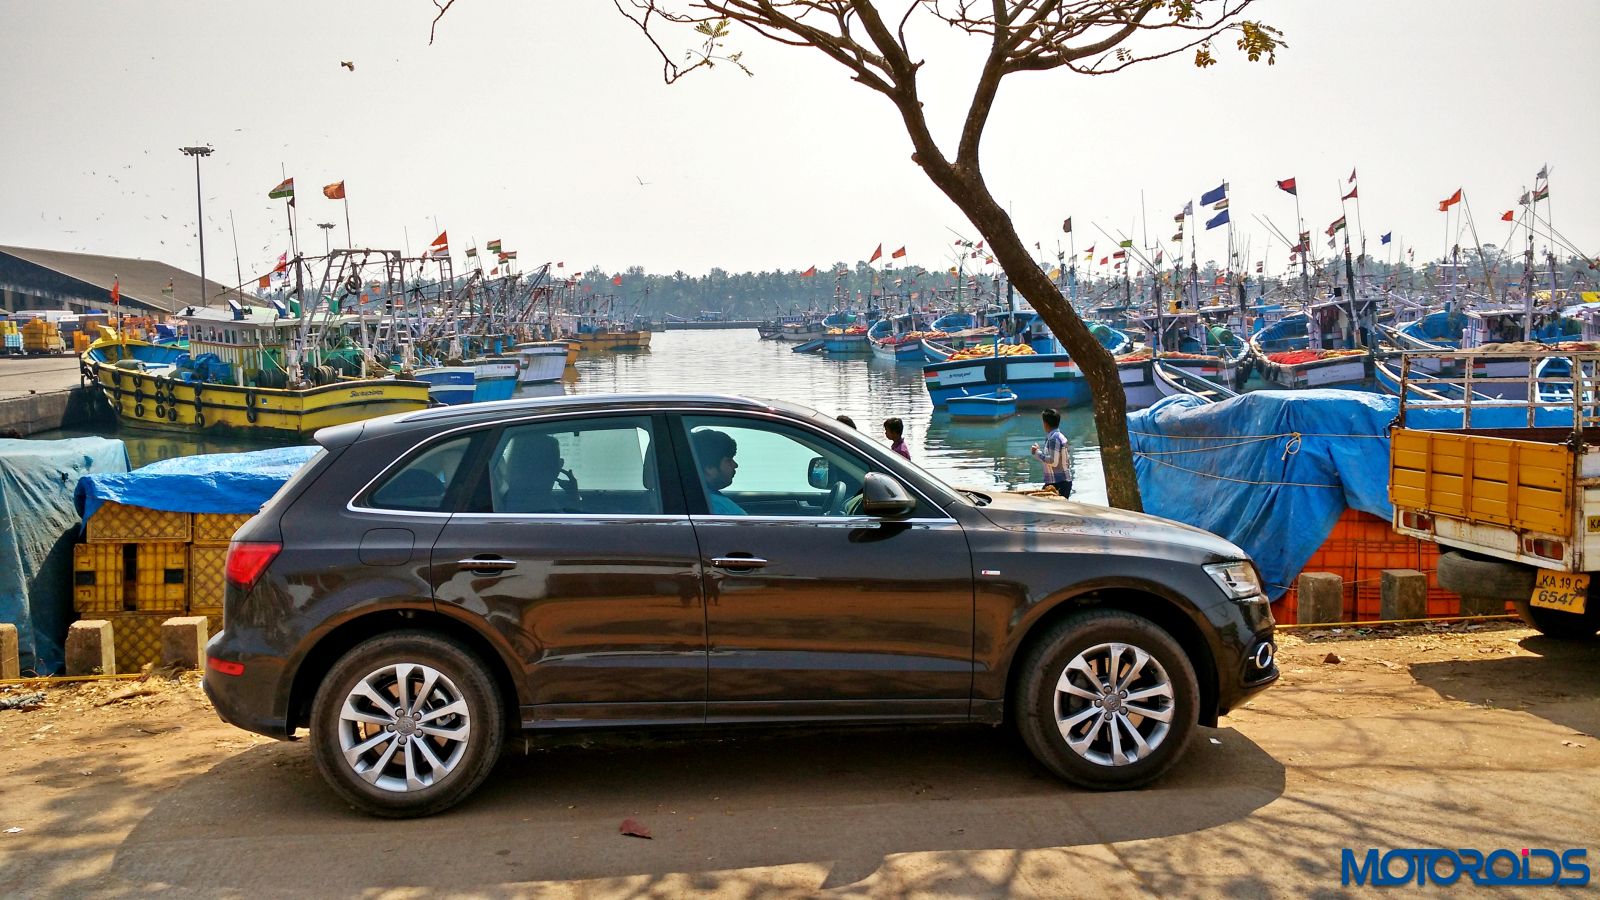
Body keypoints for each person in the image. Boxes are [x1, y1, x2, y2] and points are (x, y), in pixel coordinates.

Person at [497, 432, 580, 512]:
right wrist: (574, 496)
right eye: (557, 462)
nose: (560, 465)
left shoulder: (515, 498)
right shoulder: (541, 506)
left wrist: (572, 494)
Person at [692, 428, 745, 515]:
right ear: (709, 468)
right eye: (729, 460)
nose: (735, 465)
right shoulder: (715, 505)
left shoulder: (703, 499)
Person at [1030, 408, 1073, 498]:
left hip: (1059, 482)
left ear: (1045, 423)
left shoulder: (1054, 438)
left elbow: (1053, 462)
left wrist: (1037, 453)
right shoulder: (1057, 436)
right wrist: (1038, 452)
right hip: (1056, 481)